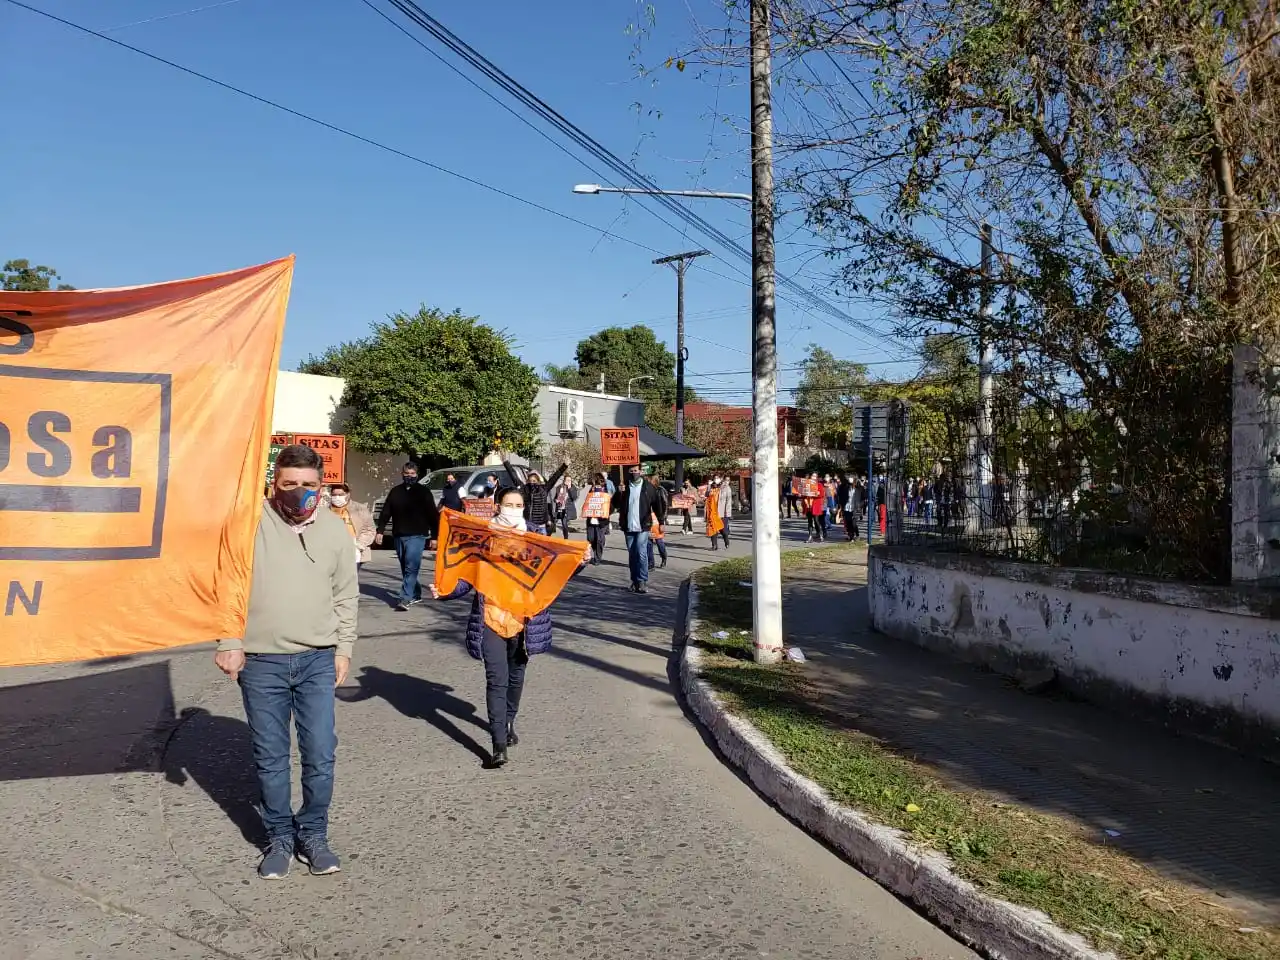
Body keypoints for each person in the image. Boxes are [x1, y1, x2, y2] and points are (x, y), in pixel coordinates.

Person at [213, 444, 357, 880]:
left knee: (319, 753)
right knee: (271, 757)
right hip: (261, 663)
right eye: (289, 484)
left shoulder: (335, 531)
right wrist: (229, 639)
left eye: (308, 485)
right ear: (274, 483)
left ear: (322, 485)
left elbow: (345, 595)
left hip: (317, 659)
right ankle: (278, 837)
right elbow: (228, 582)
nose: (299, 492)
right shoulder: (250, 523)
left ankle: (313, 833)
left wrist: (344, 648)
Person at [429, 485, 587, 767]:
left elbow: (557, 568)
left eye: (518, 505)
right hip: (490, 616)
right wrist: (445, 590)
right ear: (497, 506)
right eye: (508, 504)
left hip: (524, 620)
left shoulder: (536, 535)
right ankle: (498, 743)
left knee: (516, 677)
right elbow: (467, 577)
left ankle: (509, 719)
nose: (513, 510)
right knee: (496, 680)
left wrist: (580, 562)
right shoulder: (483, 538)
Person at [375, 462, 440, 611]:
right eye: (407, 473)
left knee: (411, 566)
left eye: (412, 474)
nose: (409, 476)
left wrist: (435, 536)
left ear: (417, 474)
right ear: (402, 474)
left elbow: (433, 516)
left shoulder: (424, 492)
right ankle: (416, 593)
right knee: (406, 567)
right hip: (399, 534)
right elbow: (386, 511)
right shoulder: (395, 492)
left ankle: (405, 598)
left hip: (417, 535)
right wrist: (380, 530)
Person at [612, 464, 661, 593]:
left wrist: (661, 521)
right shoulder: (625, 487)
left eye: (636, 470)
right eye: (632, 471)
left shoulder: (648, 487)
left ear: (640, 471)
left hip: (643, 526)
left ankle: (642, 581)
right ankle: (634, 580)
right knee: (632, 554)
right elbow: (615, 504)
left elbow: (657, 504)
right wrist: (619, 492)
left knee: (641, 552)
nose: (634, 473)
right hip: (628, 526)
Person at [506, 459, 569, 536]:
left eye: (534, 481)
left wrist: (564, 466)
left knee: (540, 546)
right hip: (528, 525)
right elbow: (514, 477)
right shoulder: (525, 489)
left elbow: (554, 478)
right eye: (530, 481)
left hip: (541, 526)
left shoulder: (544, 489)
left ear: (538, 481)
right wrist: (506, 463)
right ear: (527, 481)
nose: (532, 483)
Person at [326, 482, 375, 571]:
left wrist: (359, 545)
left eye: (340, 494)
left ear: (348, 494)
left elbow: (369, 529)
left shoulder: (360, 509)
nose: (337, 497)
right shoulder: (325, 511)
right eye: (334, 495)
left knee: (349, 581)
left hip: (354, 550)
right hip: (332, 551)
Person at [583, 473, 611, 563]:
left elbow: (608, 504)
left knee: (599, 539)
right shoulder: (591, 490)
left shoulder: (605, 490)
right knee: (591, 538)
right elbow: (587, 502)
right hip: (591, 518)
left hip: (602, 520)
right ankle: (596, 550)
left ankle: (597, 558)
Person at [646, 474, 669, 570]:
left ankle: (664, 557)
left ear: (653, 481)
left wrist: (662, 521)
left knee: (659, 542)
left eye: (648, 481)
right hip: (647, 519)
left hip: (658, 519)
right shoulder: (645, 491)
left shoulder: (660, 491)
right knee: (648, 542)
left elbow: (665, 506)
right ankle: (651, 564)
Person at [710, 473, 732, 549]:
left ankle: (726, 540)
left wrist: (727, 513)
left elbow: (728, 501)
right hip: (712, 512)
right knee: (713, 529)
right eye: (714, 478)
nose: (716, 479)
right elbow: (706, 495)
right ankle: (714, 545)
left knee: (723, 530)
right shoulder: (711, 487)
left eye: (717, 478)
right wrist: (709, 487)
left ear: (720, 479)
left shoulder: (726, 488)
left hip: (722, 512)